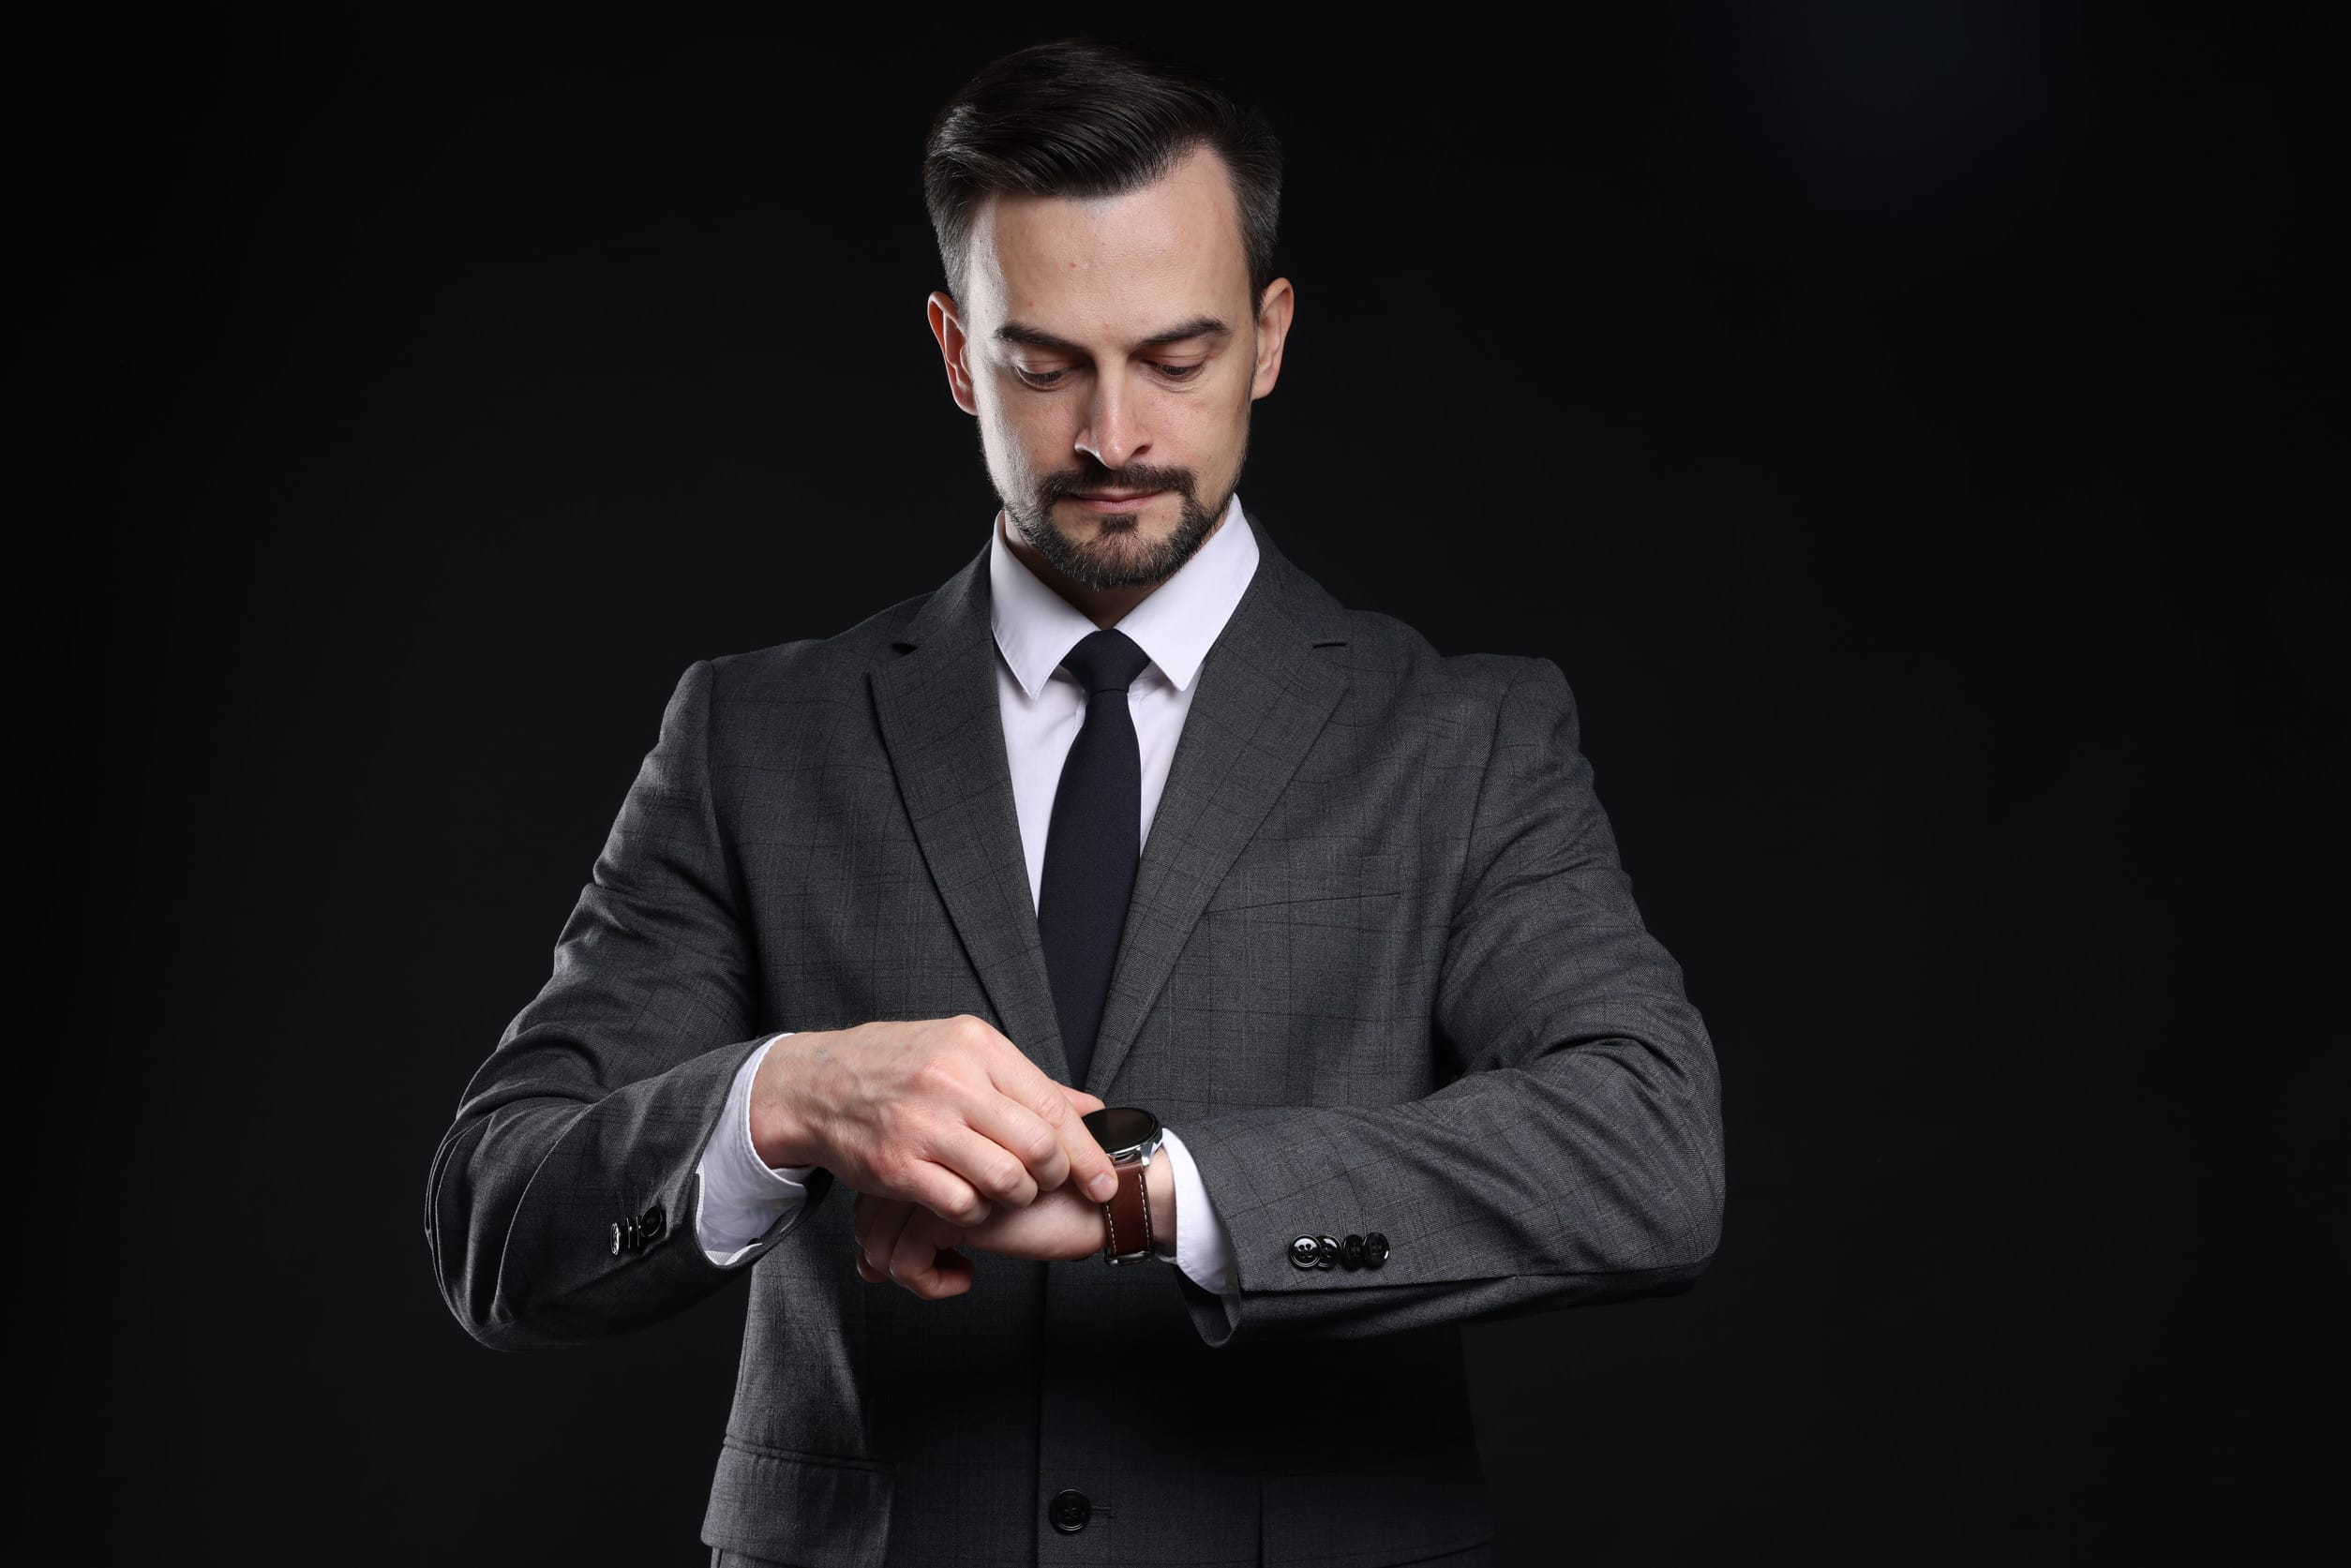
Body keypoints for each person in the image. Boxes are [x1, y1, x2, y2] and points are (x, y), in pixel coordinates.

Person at [426, 36, 1724, 1568]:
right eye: (1046, 364)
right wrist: (783, 1100)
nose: (1114, 434)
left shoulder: (1465, 735)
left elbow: (1647, 1150)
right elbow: (496, 1219)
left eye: (1176, 358)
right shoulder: (751, 735)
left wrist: (1154, 1197)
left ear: (1270, 337)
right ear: (957, 351)